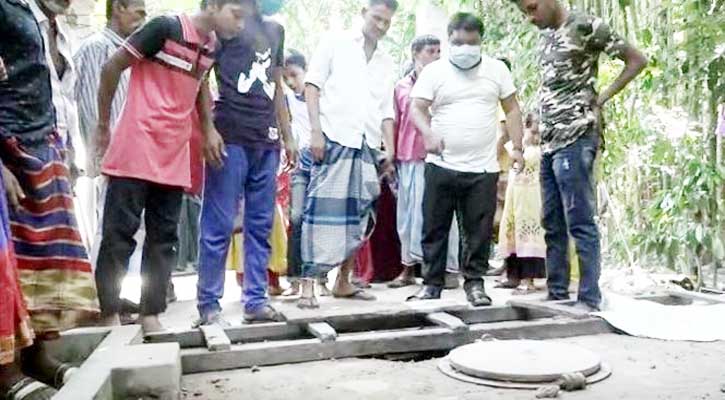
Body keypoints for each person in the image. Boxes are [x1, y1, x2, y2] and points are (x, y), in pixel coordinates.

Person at [94, 0, 249, 333]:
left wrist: (207, 127)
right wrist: (103, 126)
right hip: (137, 143)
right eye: (236, 15)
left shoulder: (211, 46)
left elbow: (200, 83)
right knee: (119, 234)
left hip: (174, 151)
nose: (240, 24)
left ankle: (150, 313)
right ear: (213, 6)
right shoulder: (164, 28)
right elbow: (112, 67)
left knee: (164, 238)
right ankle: (108, 312)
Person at [512, 0, 647, 311]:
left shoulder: (586, 26)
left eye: (532, 8)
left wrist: (602, 97)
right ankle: (557, 290)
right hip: (549, 141)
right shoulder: (546, 34)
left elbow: (636, 60)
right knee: (551, 219)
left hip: (576, 136)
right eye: (524, 13)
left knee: (580, 218)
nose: (530, 18)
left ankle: (588, 297)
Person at [0, 0, 100, 395]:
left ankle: (38, 357)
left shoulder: (37, 17)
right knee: (15, 262)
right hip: (12, 148)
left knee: (42, 260)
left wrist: (66, 151)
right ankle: (8, 372)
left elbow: (57, 93)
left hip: (45, 142)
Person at [406, 12, 525, 306]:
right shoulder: (434, 72)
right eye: (458, 43)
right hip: (441, 164)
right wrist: (428, 134)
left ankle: (474, 284)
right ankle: (431, 284)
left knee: (478, 231)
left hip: (482, 167)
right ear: (449, 41)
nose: (465, 49)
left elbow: (512, 109)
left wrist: (518, 149)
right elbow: (416, 108)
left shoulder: (497, 70)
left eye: (472, 43)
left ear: (481, 41)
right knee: (434, 227)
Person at [195, 0, 297, 325]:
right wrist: (208, 129)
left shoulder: (275, 31)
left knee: (261, 223)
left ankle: (256, 301)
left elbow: (276, 85)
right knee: (219, 223)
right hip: (230, 136)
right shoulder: (225, 24)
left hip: (266, 140)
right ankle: (208, 305)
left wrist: (287, 135)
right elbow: (200, 78)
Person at [298, 0, 398, 309]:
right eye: (377, 18)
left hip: (368, 144)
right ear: (364, 13)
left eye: (387, 22)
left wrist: (390, 147)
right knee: (321, 213)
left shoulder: (385, 61)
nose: (381, 26)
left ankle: (343, 281)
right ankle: (308, 286)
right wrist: (316, 132)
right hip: (334, 137)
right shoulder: (335, 42)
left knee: (360, 216)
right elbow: (312, 86)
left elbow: (386, 110)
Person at [74, 0, 147, 319]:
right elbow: (92, 108)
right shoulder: (97, 47)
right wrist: (102, 155)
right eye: (138, 12)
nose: (143, 19)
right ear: (118, 8)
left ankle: (113, 296)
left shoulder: (133, 51)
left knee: (126, 230)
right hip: (111, 154)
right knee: (107, 228)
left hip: (131, 153)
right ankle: (98, 300)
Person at [387, 34, 462, 290]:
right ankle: (408, 268)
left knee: (442, 214)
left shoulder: (446, 83)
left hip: (438, 157)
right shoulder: (401, 87)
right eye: (431, 51)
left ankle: (449, 269)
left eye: (439, 51)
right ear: (415, 54)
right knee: (407, 217)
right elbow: (394, 121)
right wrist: (391, 156)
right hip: (407, 157)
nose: (436, 56)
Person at [282, 50, 332, 297]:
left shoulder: (324, 97)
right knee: (297, 218)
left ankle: (321, 279)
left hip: (323, 164)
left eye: (294, 75)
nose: (291, 82)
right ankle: (294, 280)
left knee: (321, 222)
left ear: (306, 70)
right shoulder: (286, 101)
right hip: (300, 166)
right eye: (286, 78)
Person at [495, 112, 547, 294]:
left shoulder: (539, 152)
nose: (536, 138)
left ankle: (528, 279)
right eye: (533, 132)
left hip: (531, 200)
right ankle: (513, 275)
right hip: (515, 197)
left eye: (539, 134)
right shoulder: (516, 148)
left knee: (529, 237)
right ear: (525, 128)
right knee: (512, 234)